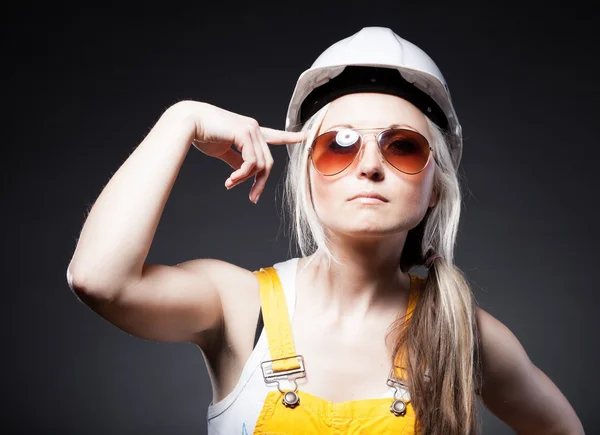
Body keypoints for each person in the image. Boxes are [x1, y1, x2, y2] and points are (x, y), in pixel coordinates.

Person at [66, 27, 584, 434]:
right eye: (339, 143)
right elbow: (98, 280)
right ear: (306, 175)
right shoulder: (239, 307)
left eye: (403, 146)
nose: (370, 165)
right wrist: (180, 121)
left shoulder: (462, 332)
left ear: (436, 188)